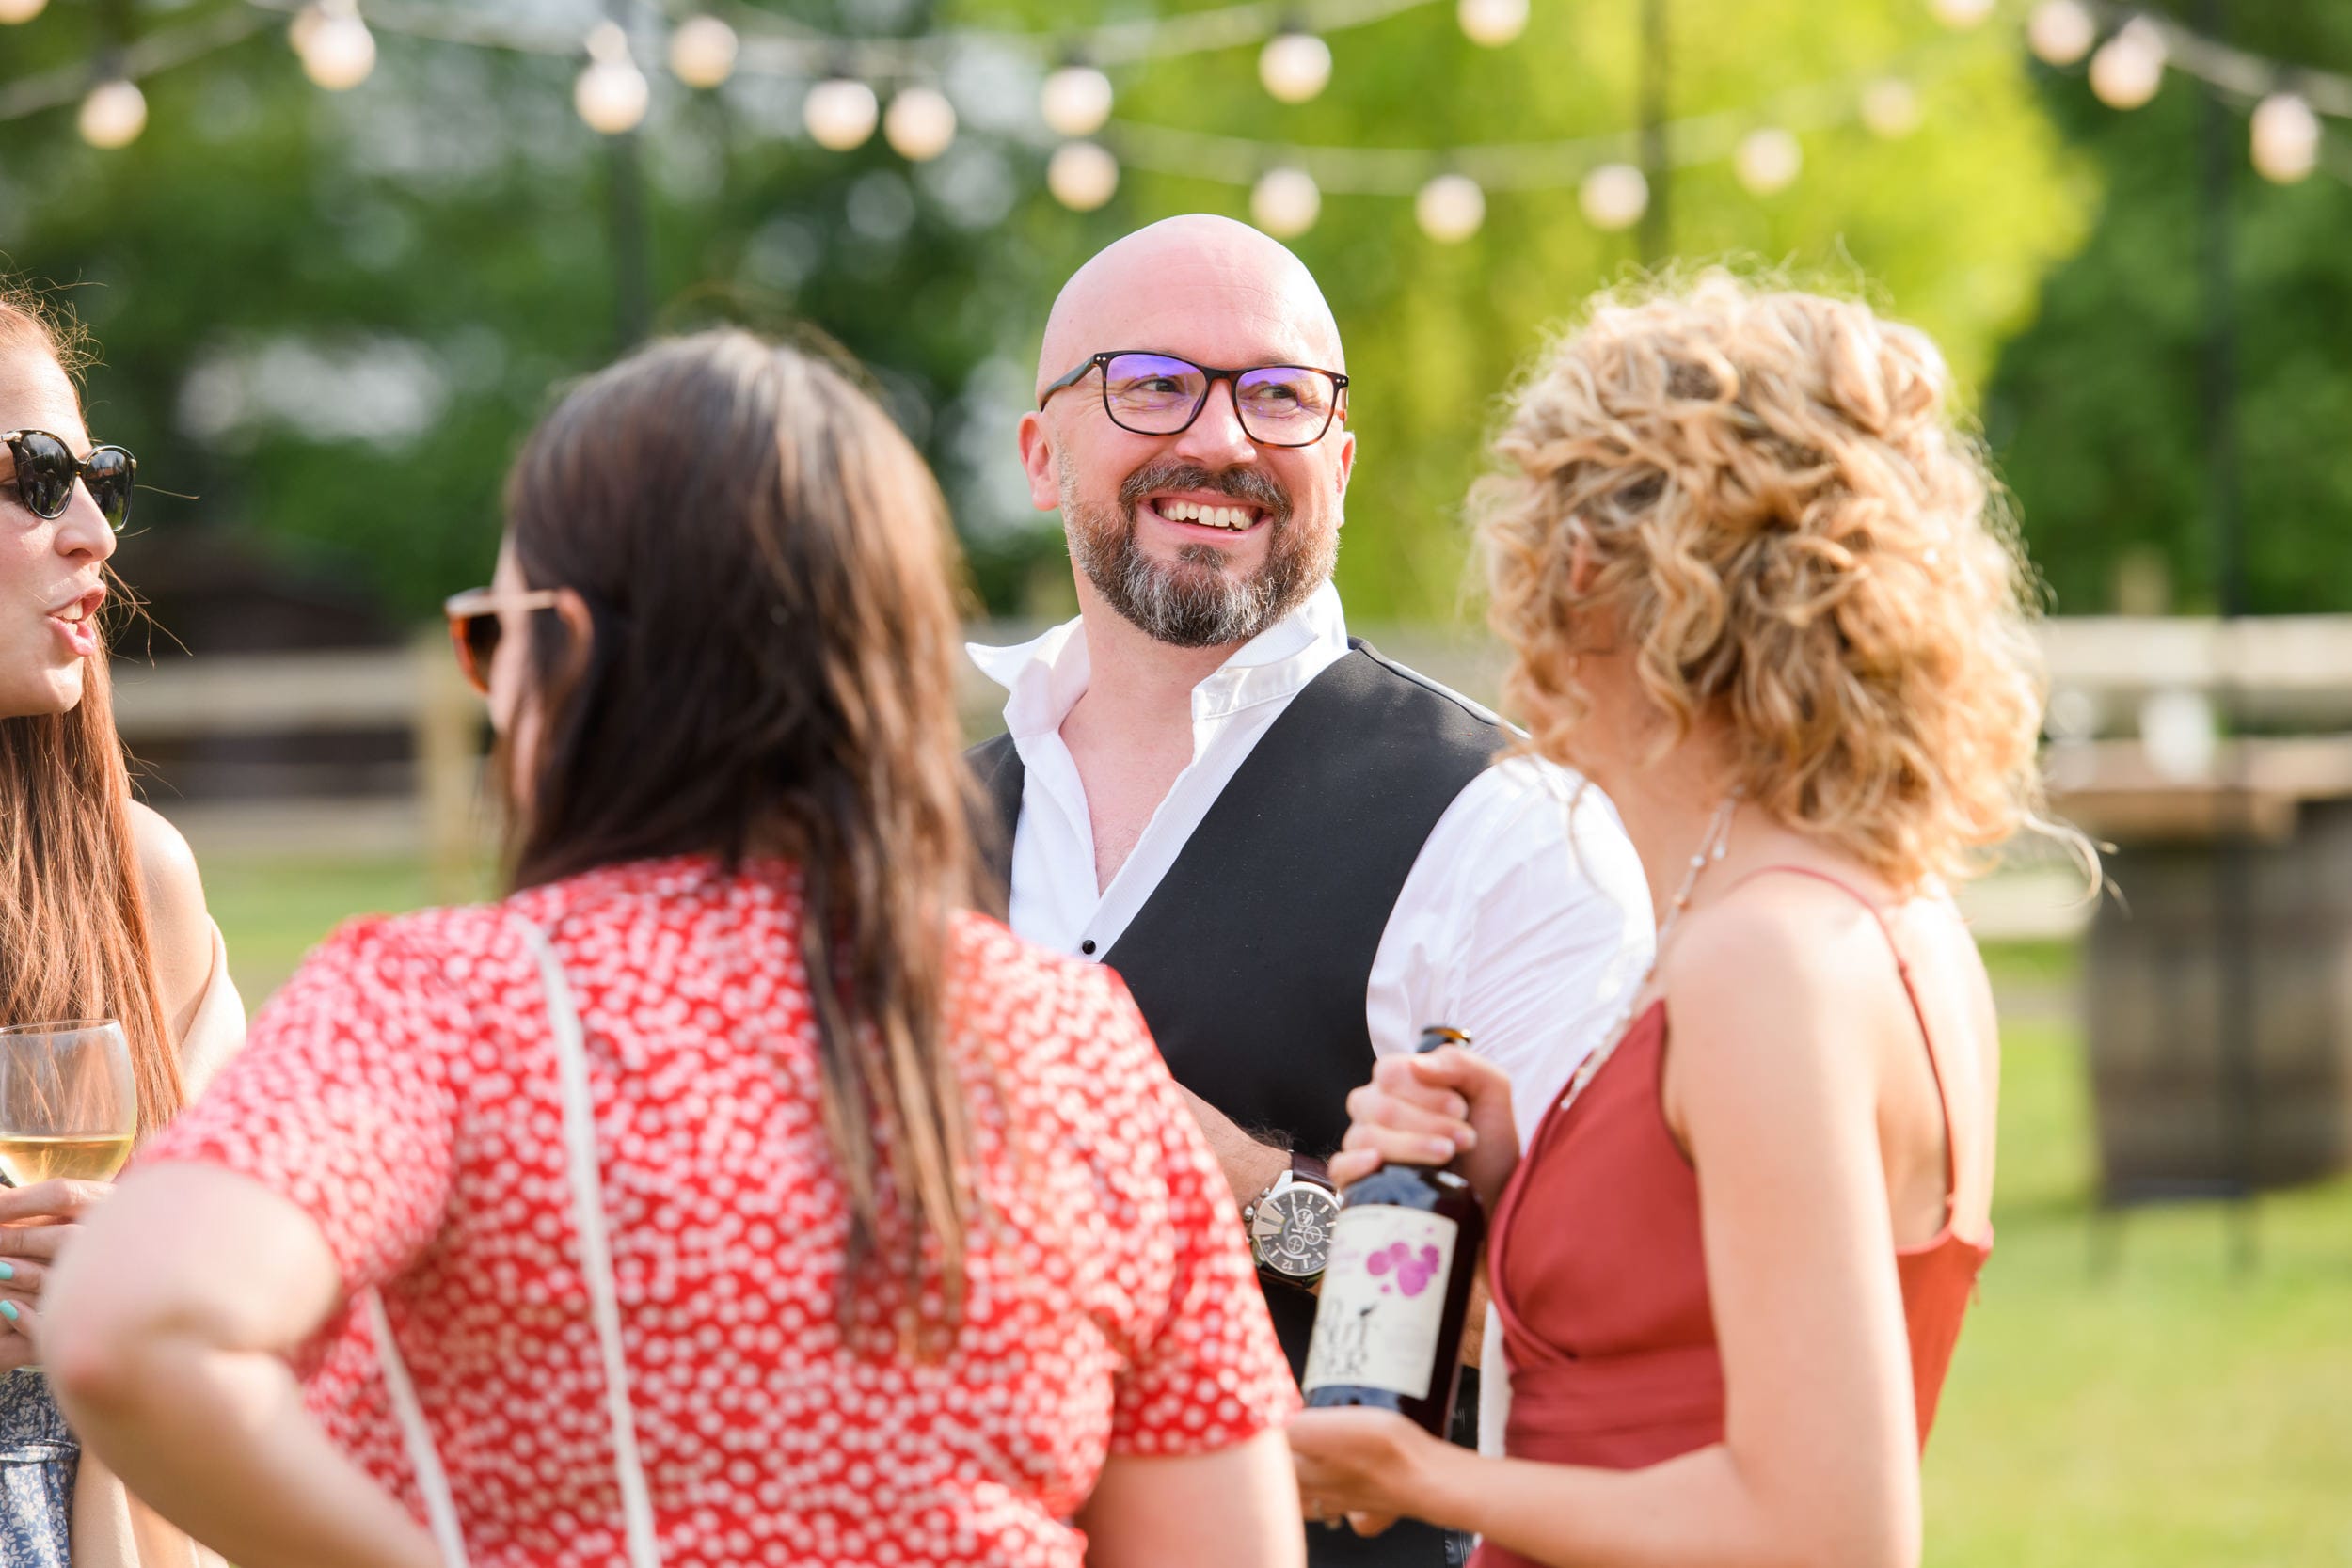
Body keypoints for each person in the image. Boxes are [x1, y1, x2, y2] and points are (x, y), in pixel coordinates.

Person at [44, 330, 1305, 1568]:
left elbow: (130, 1328)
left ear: (571, 656)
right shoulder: (1081, 1053)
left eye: (495, 639)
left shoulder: (437, 1009)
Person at [1289, 275, 2082, 1567]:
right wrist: (1514, 1185)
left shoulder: (1762, 959)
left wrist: (1420, 1473)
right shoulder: (1885, 914)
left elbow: (1830, 1531)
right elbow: (1694, 1344)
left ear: (1590, 572)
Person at [968, 215, 1650, 1568]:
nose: (1220, 437)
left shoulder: (1511, 833)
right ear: (1043, 455)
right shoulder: (902, 830)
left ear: (1336, 460)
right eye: (1152, 383)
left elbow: (1559, 1343)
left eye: (1278, 394)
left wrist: (1240, 1185)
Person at [0, 290, 243, 1568]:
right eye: (34, 476)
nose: (94, 532)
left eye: (99, 479)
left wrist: (132, 1289)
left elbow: (243, 1332)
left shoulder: (136, 885)